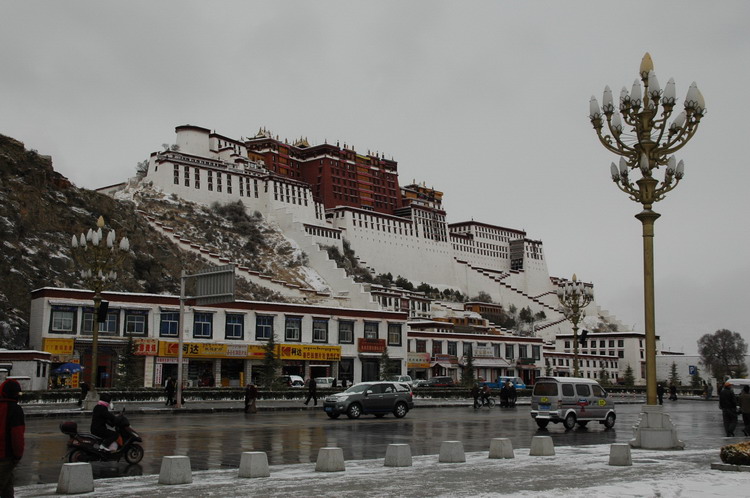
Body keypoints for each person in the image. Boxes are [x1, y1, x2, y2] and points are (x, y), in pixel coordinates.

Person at [0, 379, 25, 498]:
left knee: (7, 488)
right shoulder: (14, 409)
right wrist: (17, 456)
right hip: (5, 456)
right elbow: (17, 435)